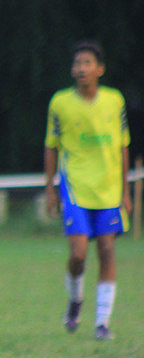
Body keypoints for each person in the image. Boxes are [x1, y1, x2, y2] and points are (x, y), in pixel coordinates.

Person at [44, 40, 131, 341]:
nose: (81, 68)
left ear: (100, 69)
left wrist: (126, 192)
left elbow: (123, 145)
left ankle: (102, 323)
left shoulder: (114, 100)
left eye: (87, 63)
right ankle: (75, 299)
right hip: (76, 187)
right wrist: (50, 188)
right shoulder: (60, 103)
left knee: (107, 250)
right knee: (78, 254)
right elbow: (51, 146)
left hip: (108, 188)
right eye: (77, 63)